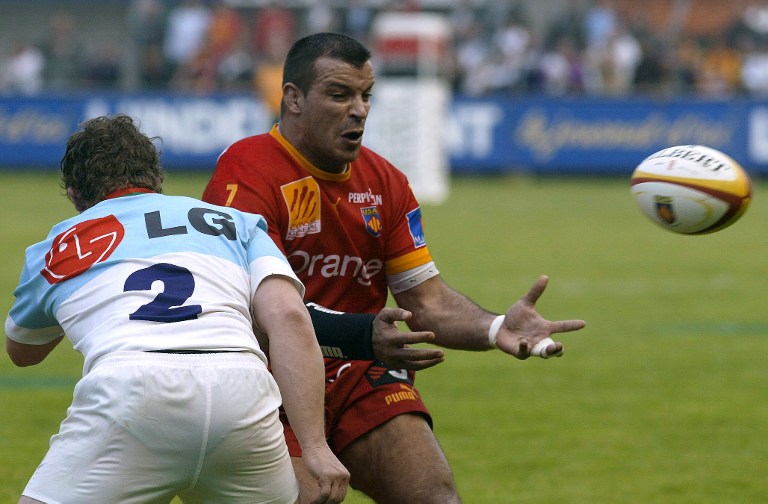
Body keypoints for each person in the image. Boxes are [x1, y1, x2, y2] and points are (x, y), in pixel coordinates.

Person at [202, 32, 586, 503]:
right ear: (293, 99)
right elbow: (251, 310)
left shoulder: (385, 181)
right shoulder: (249, 168)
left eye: (366, 96)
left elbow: (428, 301)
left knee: (434, 497)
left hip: (357, 375)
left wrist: (495, 327)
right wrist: (364, 334)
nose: (359, 109)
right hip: (266, 375)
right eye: (340, 94)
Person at [4, 114, 349, 504]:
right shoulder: (239, 223)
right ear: (157, 179)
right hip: (242, 389)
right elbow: (289, 317)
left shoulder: (62, 244)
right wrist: (316, 448)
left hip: (131, 389)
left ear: (74, 195)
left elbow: (22, 351)